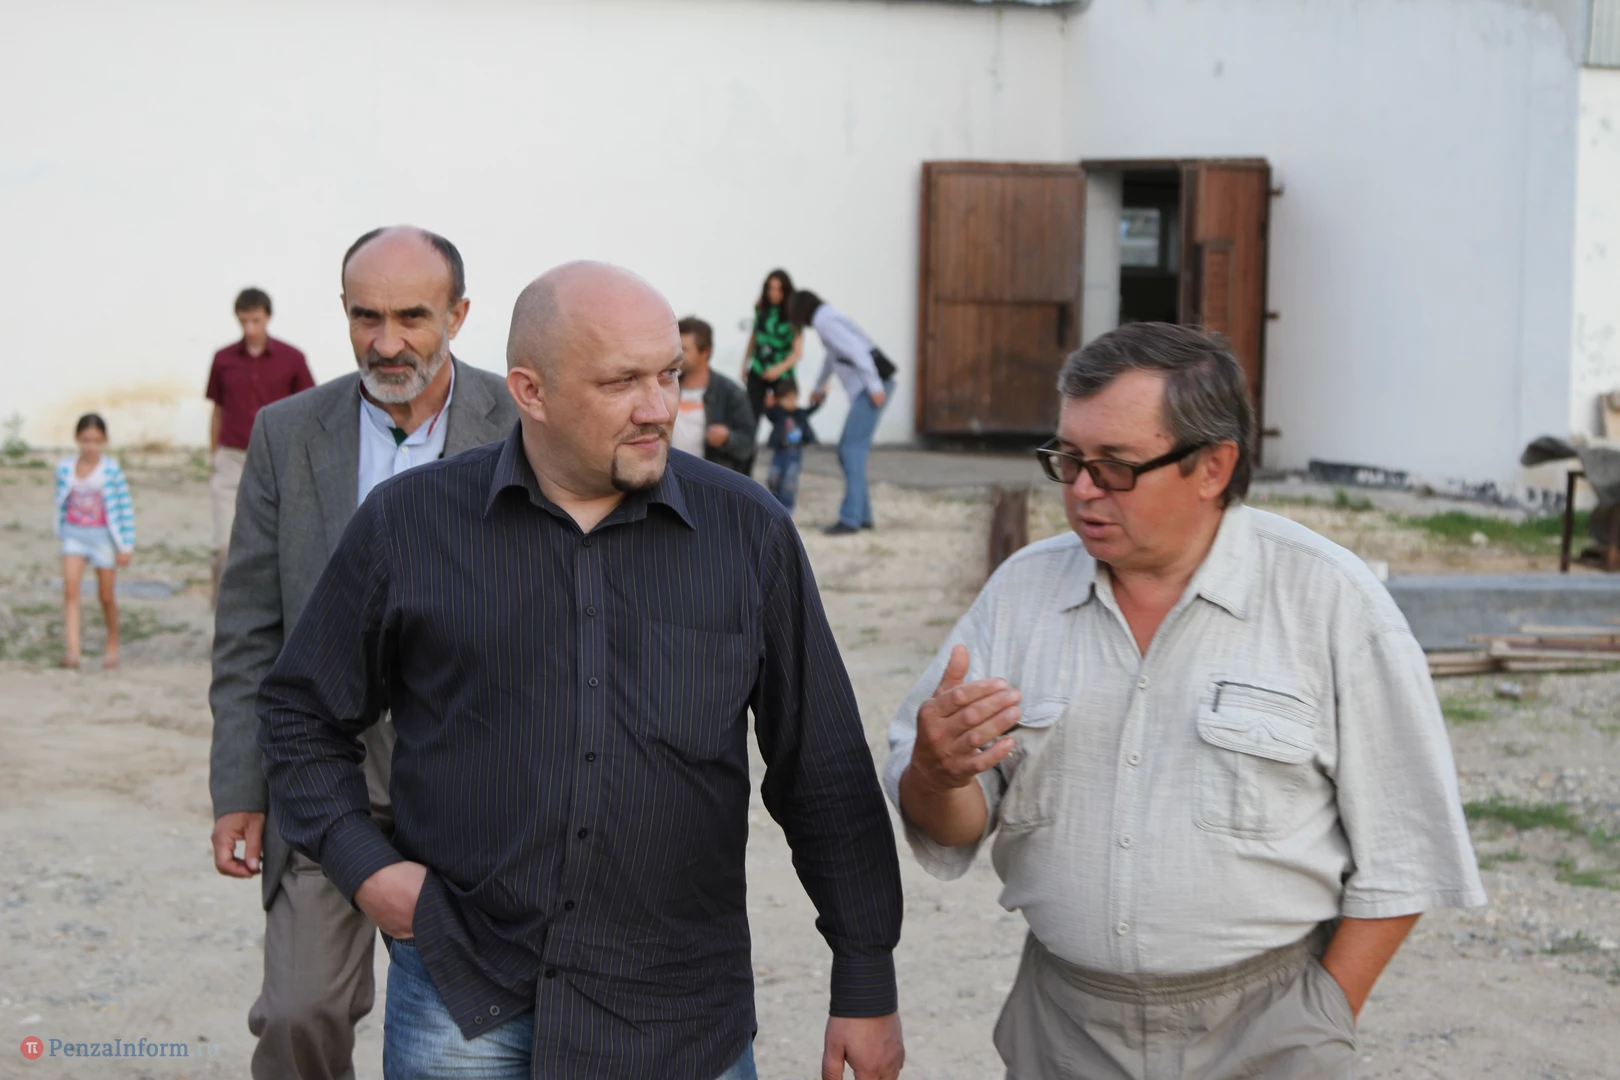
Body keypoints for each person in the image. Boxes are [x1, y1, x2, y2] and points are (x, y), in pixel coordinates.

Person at [256, 261, 906, 1080]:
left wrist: (865, 975)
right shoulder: (409, 523)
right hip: (465, 996)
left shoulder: (749, 532)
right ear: (530, 392)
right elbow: (299, 711)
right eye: (621, 382)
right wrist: (367, 868)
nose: (660, 407)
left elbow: (822, 765)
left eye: (669, 374)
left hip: (680, 1018)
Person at [885, 323, 1486, 1080]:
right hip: (1064, 1031)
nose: (1082, 490)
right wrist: (936, 774)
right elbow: (955, 825)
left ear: (1213, 466)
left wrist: (1323, 1013)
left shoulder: (1329, 601)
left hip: (1267, 1035)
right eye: (1067, 459)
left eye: (1115, 467)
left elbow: (1407, 847)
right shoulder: (1021, 594)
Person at [208, 226, 517, 1080]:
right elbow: (249, 626)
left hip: (474, 781)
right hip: (323, 772)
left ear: (458, 314)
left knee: (472, 1042)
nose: (386, 343)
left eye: (412, 316)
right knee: (299, 1012)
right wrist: (239, 788)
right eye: (365, 317)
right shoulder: (285, 433)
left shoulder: (522, 424)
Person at [205, 287, 314, 603]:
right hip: (231, 457)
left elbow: (308, 409)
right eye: (244, 321)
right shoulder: (223, 359)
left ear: (267, 317)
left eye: (255, 320)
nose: (250, 328)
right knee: (224, 545)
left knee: (279, 544)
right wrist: (213, 456)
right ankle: (224, 616)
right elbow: (217, 409)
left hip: (277, 460)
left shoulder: (292, 359)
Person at [789, 290, 896, 535]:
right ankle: (862, 515)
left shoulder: (824, 321)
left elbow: (857, 351)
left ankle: (851, 519)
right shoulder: (826, 318)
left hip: (871, 388)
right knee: (852, 451)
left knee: (850, 450)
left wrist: (874, 387)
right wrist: (819, 387)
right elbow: (833, 357)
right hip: (870, 387)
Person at [53, 413, 135, 670]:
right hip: (74, 535)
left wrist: (125, 545)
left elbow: (124, 507)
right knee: (70, 590)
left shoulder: (111, 471)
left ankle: (112, 644)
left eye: (96, 441)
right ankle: (73, 650)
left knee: (106, 595)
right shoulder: (65, 469)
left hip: (103, 538)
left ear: (105, 441)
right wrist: (61, 529)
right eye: (86, 440)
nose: (90, 446)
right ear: (77, 439)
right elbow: (61, 502)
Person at [674, 315, 756, 474]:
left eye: (684, 349)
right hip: (670, 479)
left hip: (709, 481)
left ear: (705, 352)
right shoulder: (665, 389)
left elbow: (749, 444)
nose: (678, 354)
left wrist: (727, 438)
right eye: (676, 348)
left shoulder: (731, 392)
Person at [739, 269, 803, 441]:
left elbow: (798, 352)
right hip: (759, 367)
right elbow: (754, 337)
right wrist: (745, 364)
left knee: (785, 418)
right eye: (771, 288)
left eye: (778, 289)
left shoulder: (794, 314)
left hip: (782, 372)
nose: (774, 293)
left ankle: (787, 454)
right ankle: (747, 455)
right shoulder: (761, 308)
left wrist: (778, 369)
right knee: (751, 416)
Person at [761, 379, 820, 512]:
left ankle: (786, 507)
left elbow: (812, 409)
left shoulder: (799, 413)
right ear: (779, 400)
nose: (790, 402)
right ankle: (775, 502)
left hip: (794, 452)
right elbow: (769, 413)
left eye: (792, 398)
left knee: (790, 480)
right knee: (773, 477)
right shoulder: (778, 413)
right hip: (779, 451)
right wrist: (767, 404)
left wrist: (819, 397)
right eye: (785, 399)